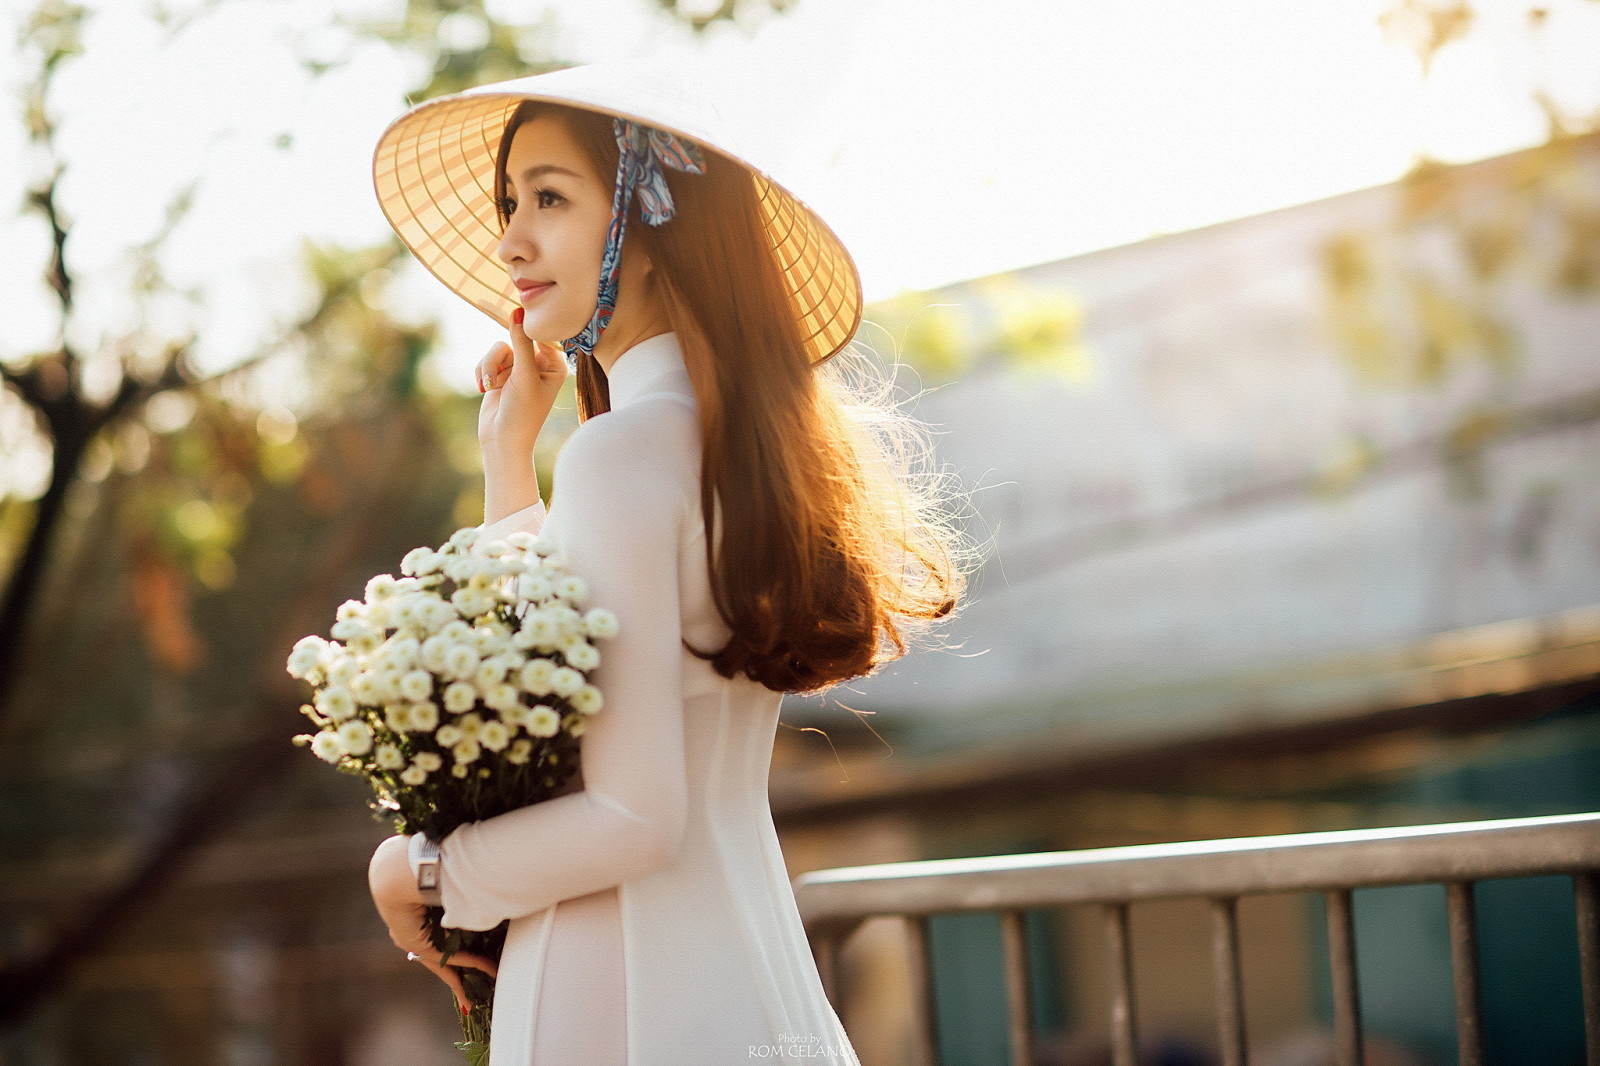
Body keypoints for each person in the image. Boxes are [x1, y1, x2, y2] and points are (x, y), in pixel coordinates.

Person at [361, 62, 975, 1065]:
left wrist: (420, 868)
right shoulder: (725, 449)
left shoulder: (618, 454)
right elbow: (552, 678)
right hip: (744, 960)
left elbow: (632, 814)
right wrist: (506, 460)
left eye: (549, 198)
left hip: (622, 988)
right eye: (510, 202)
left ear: (651, 223)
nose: (510, 238)